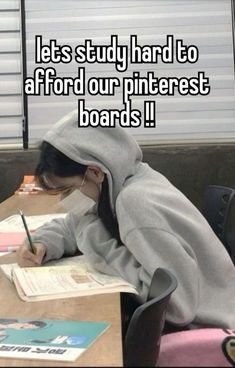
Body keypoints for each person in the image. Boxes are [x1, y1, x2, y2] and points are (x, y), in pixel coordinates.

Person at [17, 110, 235, 330]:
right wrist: (44, 242)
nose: (66, 200)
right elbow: (75, 222)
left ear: (94, 171)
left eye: (68, 190)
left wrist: (97, 244)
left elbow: (174, 305)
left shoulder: (135, 202)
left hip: (206, 330)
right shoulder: (120, 181)